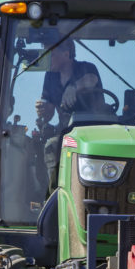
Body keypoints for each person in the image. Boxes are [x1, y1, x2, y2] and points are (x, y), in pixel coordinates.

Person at [34, 39, 103, 191]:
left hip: (93, 131)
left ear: (66, 54)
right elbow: (49, 112)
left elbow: (92, 79)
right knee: (47, 147)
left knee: (54, 145)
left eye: (50, 54)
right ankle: (55, 195)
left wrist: (74, 87)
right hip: (65, 132)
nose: (47, 59)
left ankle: (59, 194)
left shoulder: (85, 67)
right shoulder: (50, 76)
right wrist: (43, 109)